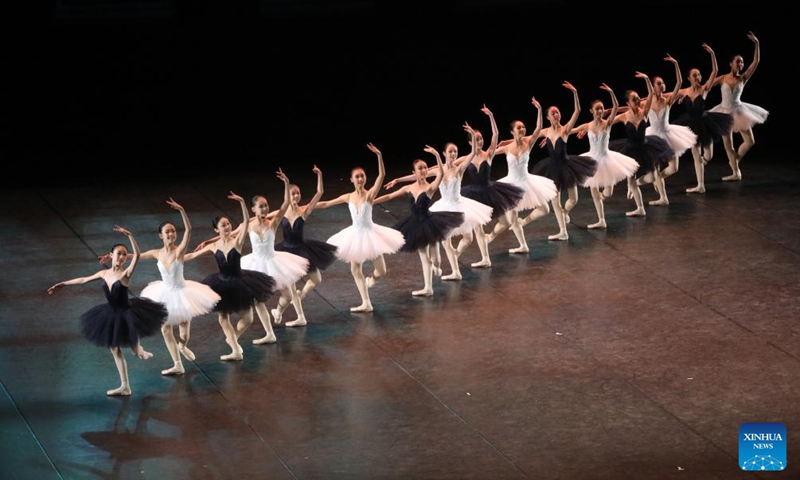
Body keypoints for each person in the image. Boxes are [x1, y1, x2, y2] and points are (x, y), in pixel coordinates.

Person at [101, 198, 221, 376]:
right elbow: (134, 256)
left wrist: (181, 210)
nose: (172, 234)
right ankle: (177, 364)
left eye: (173, 231)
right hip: (164, 292)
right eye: (168, 232)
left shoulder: (179, 251)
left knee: (184, 332)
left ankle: (183, 346)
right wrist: (113, 257)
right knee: (165, 329)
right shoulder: (156, 253)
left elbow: (188, 230)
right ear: (161, 235)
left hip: (182, 292)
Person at [47, 226, 168, 396]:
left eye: (124, 254)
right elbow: (83, 279)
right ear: (111, 255)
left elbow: (138, 256)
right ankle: (125, 386)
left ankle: (140, 350)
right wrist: (63, 284)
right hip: (111, 313)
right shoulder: (103, 273)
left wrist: (130, 235)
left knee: (134, 351)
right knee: (114, 348)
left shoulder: (126, 274)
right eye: (119, 253)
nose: (122, 256)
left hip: (127, 313)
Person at [384, 123, 492, 281]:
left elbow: (472, 153)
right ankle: (456, 271)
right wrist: (398, 180)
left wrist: (472, 136)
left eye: (455, 151)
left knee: (468, 238)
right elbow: (417, 176)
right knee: (446, 242)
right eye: (450, 152)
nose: (453, 154)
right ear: (444, 154)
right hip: (443, 207)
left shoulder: (460, 168)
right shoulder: (437, 170)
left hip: (459, 205)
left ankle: (455, 255)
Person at [315, 143, 405, 312]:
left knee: (382, 271)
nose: (360, 179)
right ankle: (366, 302)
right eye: (357, 177)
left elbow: (382, 175)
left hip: (371, 233)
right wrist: (307, 207)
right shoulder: (348, 196)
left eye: (362, 176)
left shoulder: (370, 194)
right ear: (352, 179)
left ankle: (373, 279)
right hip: (355, 235)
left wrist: (379, 155)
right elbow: (326, 203)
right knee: (355, 268)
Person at [193, 191, 276, 360]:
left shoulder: (236, 241)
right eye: (223, 225)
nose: (228, 226)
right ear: (217, 229)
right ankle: (235, 350)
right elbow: (190, 256)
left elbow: (246, 223)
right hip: (221, 283)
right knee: (223, 317)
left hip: (240, 281)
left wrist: (241, 203)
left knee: (248, 318)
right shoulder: (214, 245)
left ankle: (234, 341)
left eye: (229, 224)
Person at [375, 146, 464, 295]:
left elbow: (441, 173)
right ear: (414, 172)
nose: (423, 170)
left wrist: (436, 154)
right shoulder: (408, 188)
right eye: (420, 168)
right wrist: (371, 201)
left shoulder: (430, 187)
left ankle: (436, 266)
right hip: (415, 225)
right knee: (423, 256)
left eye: (425, 168)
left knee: (436, 260)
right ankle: (427, 288)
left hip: (430, 223)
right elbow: (390, 196)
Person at [489, 96, 558, 251]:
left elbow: (539, 128)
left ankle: (522, 223)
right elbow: (488, 154)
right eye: (519, 128)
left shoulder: (529, 143)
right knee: (512, 217)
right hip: (511, 185)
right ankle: (522, 245)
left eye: (523, 127)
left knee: (545, 209)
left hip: (527, 181)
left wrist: (539, 110)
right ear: (513, 132)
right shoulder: (506, 148)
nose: (522, 129)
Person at [271, 166, 338, 326]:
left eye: (297, 193)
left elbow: (319, 193)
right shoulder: (281, 213)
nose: (295, 196)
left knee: (316, 279)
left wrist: (320, 175)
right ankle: (298, 316)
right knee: (291, 286)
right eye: (293, 193)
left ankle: (295, 300)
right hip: (287, 252)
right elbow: (257, 220)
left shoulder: (304, 211)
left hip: (303, 249)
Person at [531, 81, 598, 241]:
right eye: (553, 113)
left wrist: (575, 92)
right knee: (555, 202)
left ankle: (565, 213)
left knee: (573, 199)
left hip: (567, 167)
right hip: (552, 169)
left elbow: (577, 111)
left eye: (557, 112)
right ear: (548, 117)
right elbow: (530, 135)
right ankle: (563, 231)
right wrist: (539, 110)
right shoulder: (546, 131)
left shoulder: (565, 130)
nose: (556, 114)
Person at [460, 107, 525, 267]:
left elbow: (495, 135)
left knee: (506, 221)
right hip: (472, 195)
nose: (480, 141)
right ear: (470, 142)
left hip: (490, 192)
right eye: (476, 139)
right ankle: (485, 259)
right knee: (478, 228)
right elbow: (448, 167)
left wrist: (491, 116)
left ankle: (490, 238)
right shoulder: (466, 158)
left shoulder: (488, 154)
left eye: (481, 139)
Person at [571, 84, 640, 229]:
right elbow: (569, 130)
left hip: (606, 160)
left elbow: (615, 107)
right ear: (591, 111)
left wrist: (611, 92)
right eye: (597, 109)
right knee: (594, 190)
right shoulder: (587, 126)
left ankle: (601, 201)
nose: (600, 111)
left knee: (608, 193)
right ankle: (601, 220)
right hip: (591, 160)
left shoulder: (607, 123)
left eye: (602, 108)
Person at [607, 72, 674, 217]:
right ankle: (640, 208)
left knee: (653, 174)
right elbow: (606, 124)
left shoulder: (644, 112)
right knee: (631, 181)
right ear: (628, 103)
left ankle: (656, 196)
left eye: (638, 98)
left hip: (645, 147)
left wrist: (645, 79)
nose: (638, 100)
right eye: (634, 99)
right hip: (630, 150)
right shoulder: (624, 116)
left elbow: (650, 94)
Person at [672, 43, 734, 193]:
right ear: (689, 78)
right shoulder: (684, 91)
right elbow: (667, 95)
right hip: (690, 124)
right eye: (695, 75)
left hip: (705, 123)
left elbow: (715, 71)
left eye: (699, 74)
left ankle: (701, 165)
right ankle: (701, 185)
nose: (698, 77)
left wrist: (712, 54)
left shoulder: (704, 88)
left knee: (709, 155)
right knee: (695, 154)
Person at [709, 31, 768, 182]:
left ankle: (734, 161)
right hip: (724, 112)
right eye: (738, 62)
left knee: (750, 141)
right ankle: (736, 172)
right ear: (731, 63)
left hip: (739, 111)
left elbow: (756, 62)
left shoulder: (743, 78)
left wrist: (757, 43)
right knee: (728, 145)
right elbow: (705, 87)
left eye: (742, 62)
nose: (740, 64)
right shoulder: (722, 78)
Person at [643, 54, 698, 205]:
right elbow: (630, 109)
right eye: (659, 84)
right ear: (653, 87)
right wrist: (609, 112)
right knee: (655, 168)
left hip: (668, 135)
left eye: (663, 83)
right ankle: (663, 198)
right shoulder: (646, 103)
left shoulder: (667, 100)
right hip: (653, 136)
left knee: (674, 168)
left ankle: (655, 179)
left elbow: (679, 82)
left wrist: (675, 64)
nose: (662, 86)